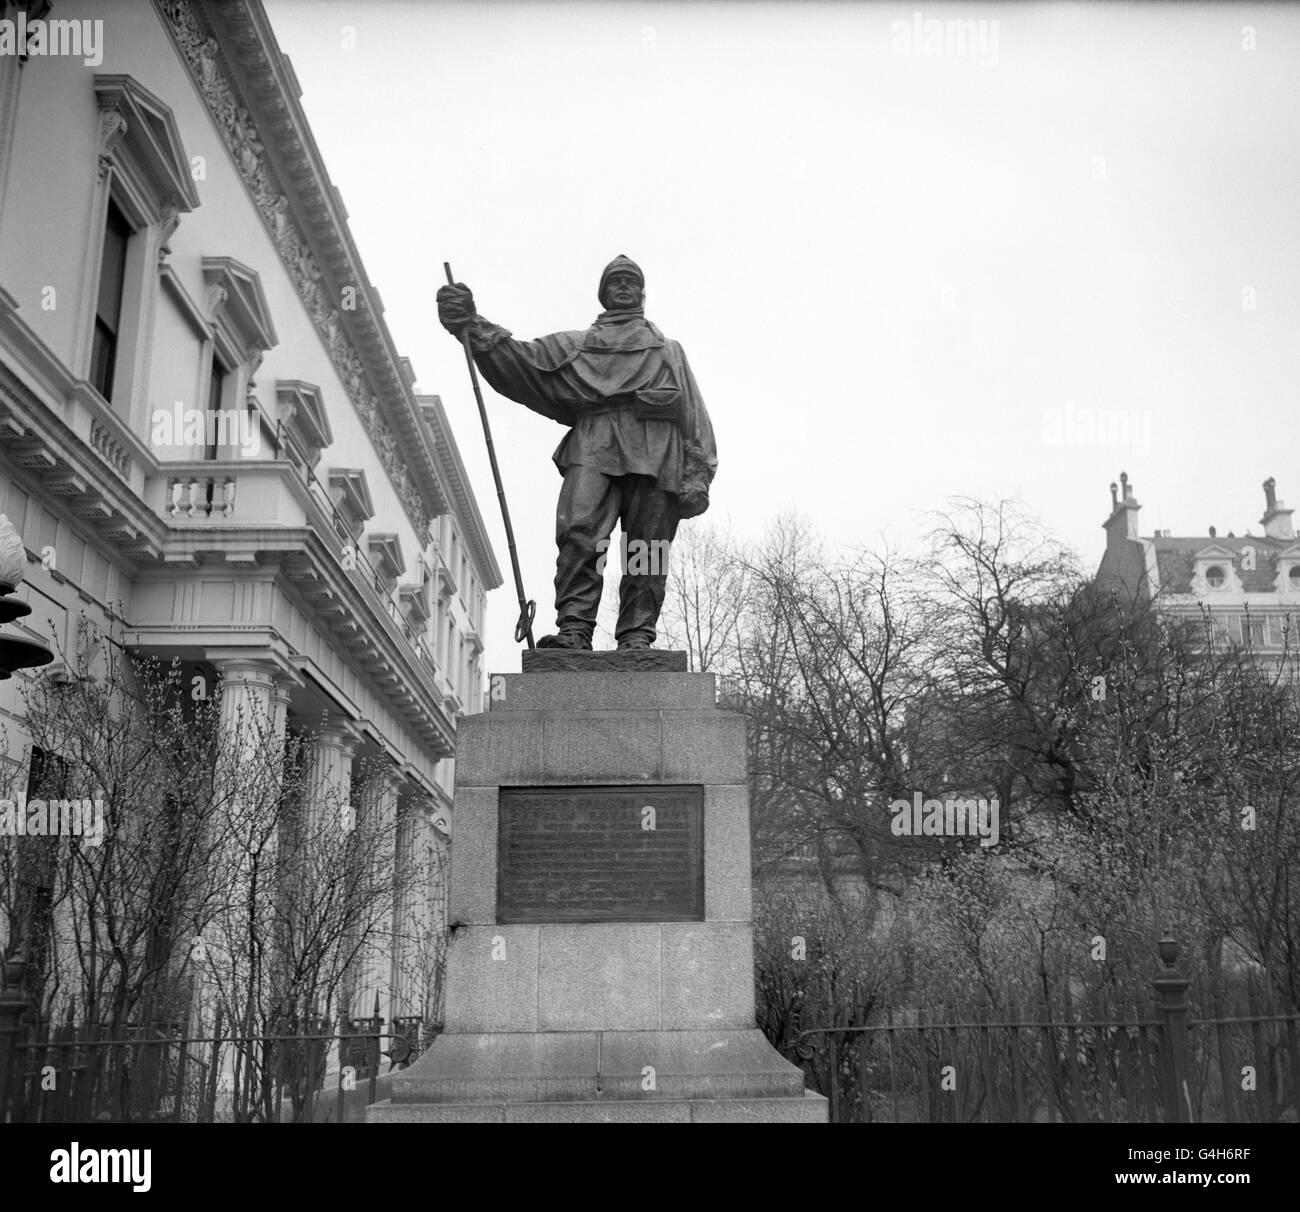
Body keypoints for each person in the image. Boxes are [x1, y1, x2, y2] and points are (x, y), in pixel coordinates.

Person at [436, 256, 717, 650]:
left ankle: (637, 635)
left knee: (646, 548)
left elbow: (694, 414)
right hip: (594, 442)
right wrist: (470, 324)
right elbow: (520, 361)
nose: (623, 286)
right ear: (603, 292)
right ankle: (574, 629)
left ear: (642, 292)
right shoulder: (576, 347)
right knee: (581, 536)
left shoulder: (668, 351)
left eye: (630, 280)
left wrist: (698, 471)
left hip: (656, 450)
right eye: (615, 280)